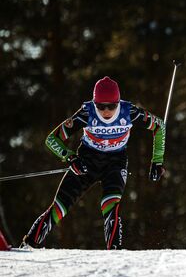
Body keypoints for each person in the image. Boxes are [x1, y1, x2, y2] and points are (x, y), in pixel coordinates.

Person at [21, 76, 166, 249]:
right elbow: (52, 139)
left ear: (118, 102)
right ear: (94, 103)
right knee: (60, 207)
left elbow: (159, 126)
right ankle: (28, 245)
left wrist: (157, 161)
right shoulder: (86, 113)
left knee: (111, 205)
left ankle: (114, 251)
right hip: (87, 161)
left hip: (115, 162)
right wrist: (70, 157)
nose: (106, 111)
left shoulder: (130, 112)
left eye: (111, 106)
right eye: (100, 106)